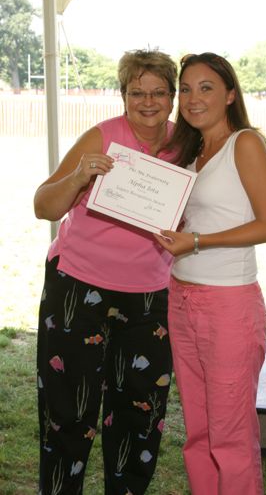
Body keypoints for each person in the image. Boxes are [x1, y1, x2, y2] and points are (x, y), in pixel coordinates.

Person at [34, 49, 178, 495]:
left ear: (172, 97)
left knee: (140, 413)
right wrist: (78, 177)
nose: (148, 102)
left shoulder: (187, 144)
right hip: (77, 287)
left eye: (158, 92)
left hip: (148, 295)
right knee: (69, 410)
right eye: (137, 92)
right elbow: (43, 205)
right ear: (123, 95)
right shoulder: (101, 137)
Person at [155, 52, 266, 495]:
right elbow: (203, 220)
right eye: (186, 89)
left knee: (230, 435)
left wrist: (199, 242)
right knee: (198, 432)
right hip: (182, 297)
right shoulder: (191, 154)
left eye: (206, 87)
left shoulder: (244, 143)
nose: (193, 98)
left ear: (230, 95)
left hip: (228, 302)